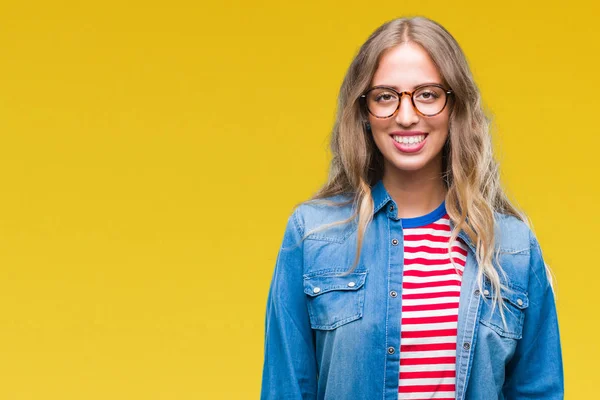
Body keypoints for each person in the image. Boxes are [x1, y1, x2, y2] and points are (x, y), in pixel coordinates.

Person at [260, 15, 563, 400]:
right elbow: (285, 389)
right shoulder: (312, 235)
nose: (406, 116)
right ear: (365, 113)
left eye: (428, 94)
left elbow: (538, 391)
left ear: (454, 107)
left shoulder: (513, 246)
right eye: (386, 96)